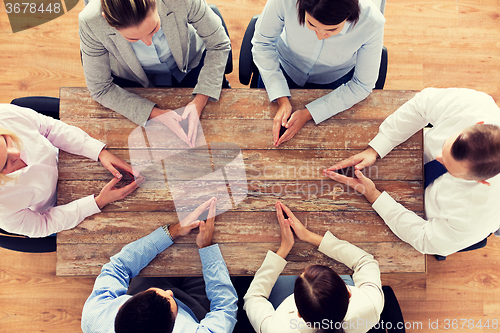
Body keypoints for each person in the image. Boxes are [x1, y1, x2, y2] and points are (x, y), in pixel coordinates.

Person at [324, 88, 500, 256]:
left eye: (449, 167)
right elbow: (421, 106)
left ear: (482, 181)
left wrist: (374, 196)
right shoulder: (475, 105)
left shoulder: (476, 217)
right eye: (446, 146)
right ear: (478, 124)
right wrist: (377, 148)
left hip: (423, 214)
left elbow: (424, 239)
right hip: (407, 153)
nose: (438, 157)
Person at [79, 0, 231, 147]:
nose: (147, 43)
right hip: (132, 78)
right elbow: (100, 88)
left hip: (188, 64)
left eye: (154, 29)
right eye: (133, 38)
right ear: (107, 20)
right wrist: (156, 114)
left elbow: (219, 43)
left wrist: (200, 100)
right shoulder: (91, 21)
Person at [81, 197, 238, 333]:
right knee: (231, 268)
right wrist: (207, 248)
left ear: (120, 307)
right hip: (194, 311)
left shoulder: (95, 317)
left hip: (147, 290)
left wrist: (171, 232)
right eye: (170, 298)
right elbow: (225, 310)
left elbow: (118, 267)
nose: (169, 292)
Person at [251, 0, 385, 147]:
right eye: (311, 25)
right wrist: (281, 99)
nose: (320, 36)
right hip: (283, 66)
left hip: (336, 80)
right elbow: (262, 43)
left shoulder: (372, 22)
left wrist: (309, 114)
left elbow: (362, 85)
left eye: (333, 30)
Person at [0, 104, 142, 238]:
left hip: (64, 156)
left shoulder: (4, 115)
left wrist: (97, 151)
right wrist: (98, 202)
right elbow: (44, 224)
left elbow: (48, 128)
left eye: (6, 141)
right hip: (58, 207)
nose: (17, 153)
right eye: (6, 162)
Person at [244, 201, 384, 333]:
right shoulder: (369, 305)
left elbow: (253, 298)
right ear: (348, 294)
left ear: (298, 313)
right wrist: (308, 236)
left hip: (290, 305)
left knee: (278, 279)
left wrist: (284, 249)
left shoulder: (278, 328)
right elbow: (365, 262)